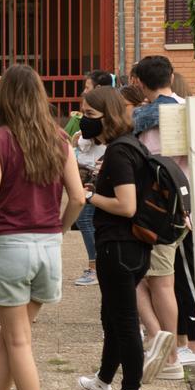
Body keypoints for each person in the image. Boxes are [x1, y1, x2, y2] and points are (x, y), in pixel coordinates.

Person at [0, 65, 85, 390]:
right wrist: (60, 230)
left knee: (17, 341)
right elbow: (79, 197)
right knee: (11, 341)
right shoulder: (59, 138)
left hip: (9, 244)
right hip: (48, 246)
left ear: (6, 99)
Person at [75, 86, 154, 390]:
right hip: (128, 247)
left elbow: (126, 205)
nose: (84, 122)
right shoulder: (130, 145)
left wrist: (89, 197)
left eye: (90, 116)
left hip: (120, 245)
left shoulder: (120, 153)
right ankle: (104, 380)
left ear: (108, 116)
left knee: (124, 321)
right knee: (112, 316)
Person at [130, 56, 187, 382]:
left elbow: (144, 163)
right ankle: (168, 346)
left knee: (145, 280)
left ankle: (168, 354)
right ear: (172, 75)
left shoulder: (147, 117)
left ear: (139, 81)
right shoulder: (188, 108)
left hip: (155, 208)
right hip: (183, 203)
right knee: (162, 281)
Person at [72, 72, 112, 287]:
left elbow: (87, 142)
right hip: (91, 173)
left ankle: (95, 266)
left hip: (93, 175)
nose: (83, 91)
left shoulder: (99, 120)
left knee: (85, 218)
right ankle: (97, 265)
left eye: (87, 87)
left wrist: (79, 137)